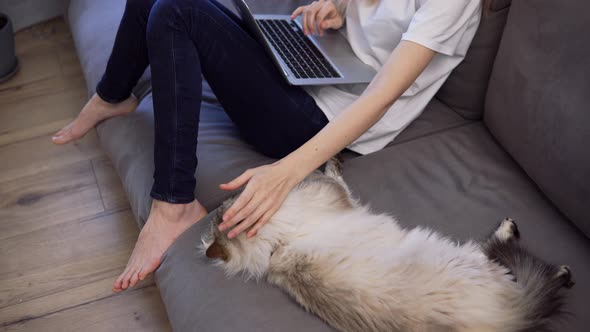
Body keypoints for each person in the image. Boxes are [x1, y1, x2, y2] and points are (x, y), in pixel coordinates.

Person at [52, 0, 484, 292]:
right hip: (317, 66)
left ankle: (174, 204)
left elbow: (380, 96)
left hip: (324, 119)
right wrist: (335, 5)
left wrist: (287, 173)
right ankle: (112, 96)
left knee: (175, 11)